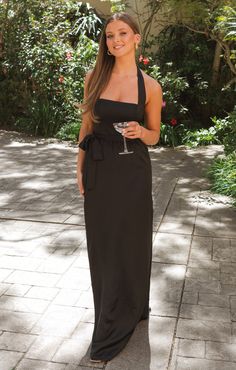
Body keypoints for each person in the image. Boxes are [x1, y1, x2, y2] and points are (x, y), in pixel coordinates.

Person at [77, 12, 162, 363]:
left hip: (133, 173)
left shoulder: (151, 86)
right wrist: (79, 170)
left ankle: (130, 309)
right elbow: (85, 127)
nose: (115, 40)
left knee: (132, 242)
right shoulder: (94, 77)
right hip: (99, 169)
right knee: (103, 246)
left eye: (122, 33)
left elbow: (155, 135)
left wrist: (140, 132)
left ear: (136, 38)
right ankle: (110, 316)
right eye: (110, 35)